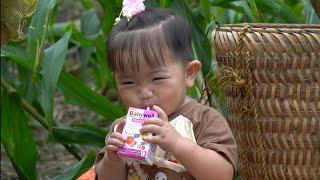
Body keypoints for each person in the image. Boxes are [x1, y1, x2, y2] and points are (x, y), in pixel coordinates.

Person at [94, 1, 237, 179]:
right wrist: (113, 161)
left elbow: (222, 175)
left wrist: (176, 143)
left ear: (189, 73)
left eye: (157, 78)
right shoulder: (121, 129)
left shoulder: (204, 120)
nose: (144, 93)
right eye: (128, 83)